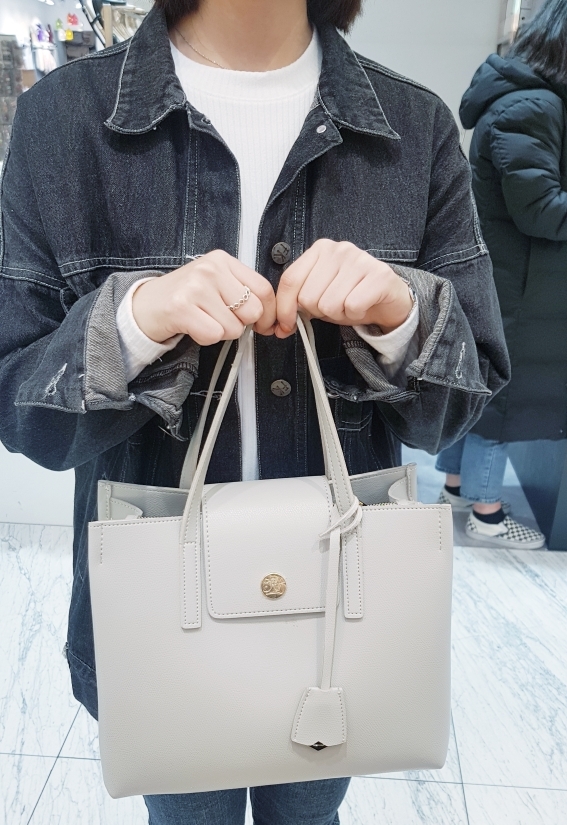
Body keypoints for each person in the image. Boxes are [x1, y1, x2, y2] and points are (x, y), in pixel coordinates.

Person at [0, 0, 509, 821]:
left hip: (340, 620)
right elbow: (24, 410)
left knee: (309, 810)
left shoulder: (412, 126)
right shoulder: (65, 119)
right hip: (160, 625)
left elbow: (459, 403)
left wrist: (399, 315)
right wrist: (133, 323)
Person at [436, 0, 567, 551]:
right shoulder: (532, 106)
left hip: (511, 278)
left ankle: (455, 487)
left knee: (483, 389)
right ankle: (486, 516)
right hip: (517, 286)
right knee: (501, 403)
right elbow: (540, 209)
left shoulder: (520, 98)